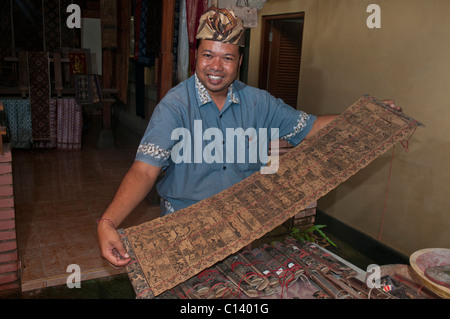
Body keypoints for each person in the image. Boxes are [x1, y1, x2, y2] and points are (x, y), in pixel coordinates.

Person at [97, 8, 400, 267]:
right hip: (185, 228)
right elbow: (144, 170)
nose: (216, 66)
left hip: (241, 226)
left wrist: (365, 112)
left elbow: (309, 127)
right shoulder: (175, 106)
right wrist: (108, 222)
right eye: (208, 55)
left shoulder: (259, 102)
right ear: (196, 57)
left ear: (239, 62)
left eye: (227, 58)